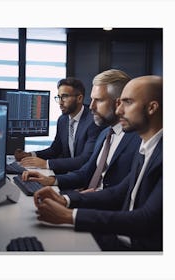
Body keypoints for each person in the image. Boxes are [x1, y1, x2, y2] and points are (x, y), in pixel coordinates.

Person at [33, 75, 163, 251]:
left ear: (152, 108)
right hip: (119, 232)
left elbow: (146, 219)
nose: (119, 111)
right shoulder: (146, 147)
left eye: (127, 102)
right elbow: (118, 193)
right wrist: (65, 199)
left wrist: (70, 216)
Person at [22, 69, 141, 192]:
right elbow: (86, 172)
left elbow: (121, 194)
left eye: (99, 100)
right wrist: (51, 179)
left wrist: (73, 201)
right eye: (92, 99)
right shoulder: (105, 134)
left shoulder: (137, 140)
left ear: (118, 103)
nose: (91, 106)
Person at [14, 77, 102, 174]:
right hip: (68, 175)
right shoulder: (63, 120)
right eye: (59, 97)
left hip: (85, 179)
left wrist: (46, 164)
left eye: (64, 97)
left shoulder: (93, 121)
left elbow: (84, 160)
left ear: (79, 98)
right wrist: (31, 155)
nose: (60, 102)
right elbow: (55, 149)